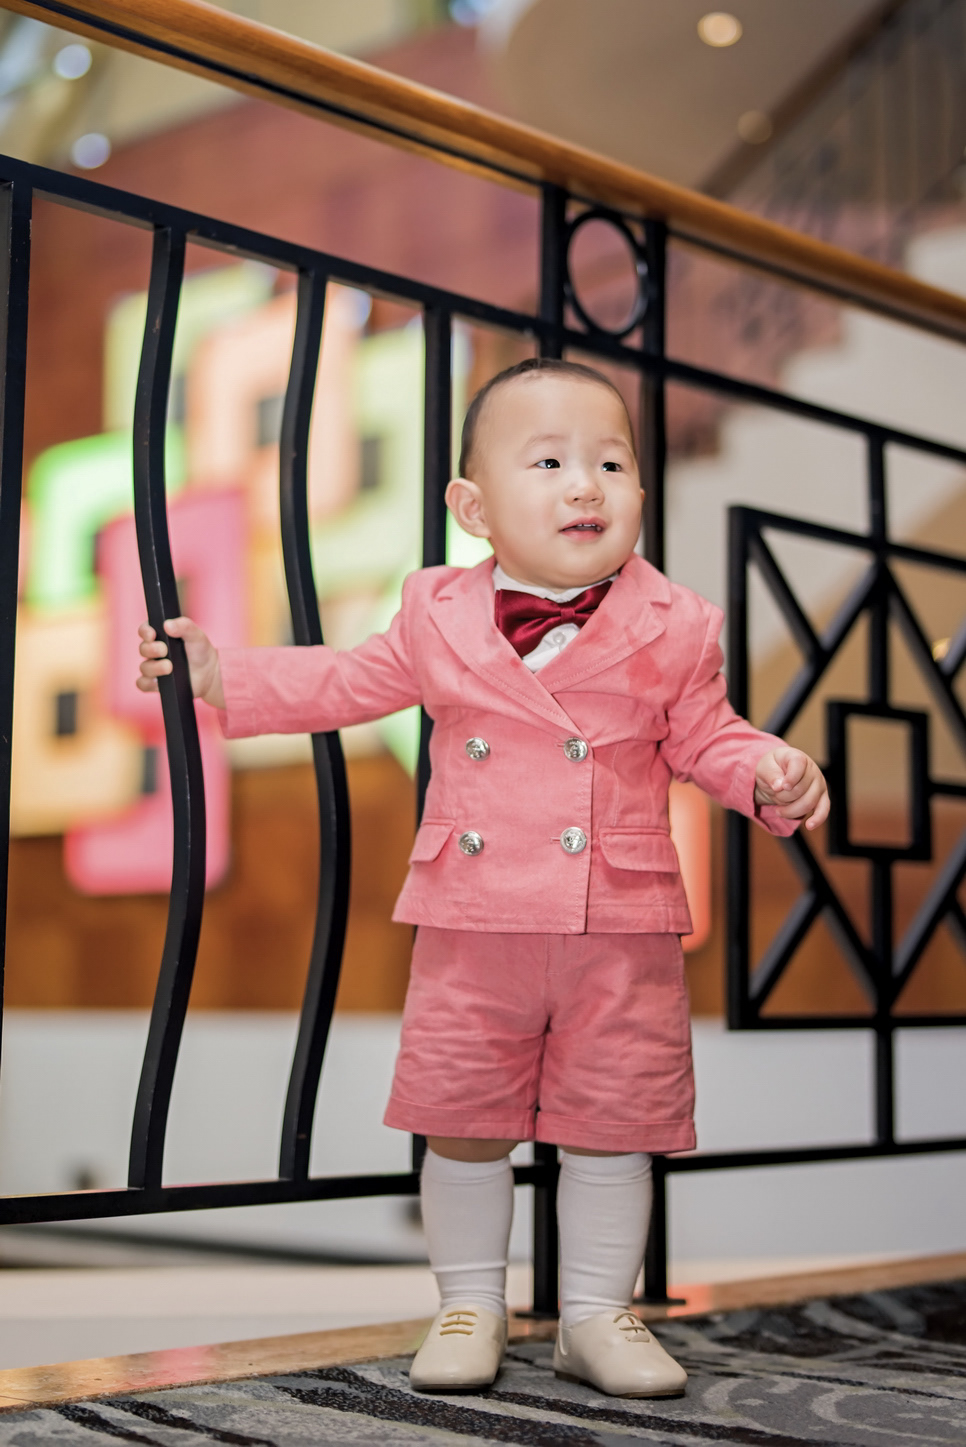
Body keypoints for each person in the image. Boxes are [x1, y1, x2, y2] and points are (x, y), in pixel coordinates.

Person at [138, 357, 829, 1399]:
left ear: (642, 492)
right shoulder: (437, 610)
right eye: (548, 462)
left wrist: (770, 770)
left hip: (619, 921)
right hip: (473, 918)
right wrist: (220, 674)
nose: (586, 484)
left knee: (616, 1124)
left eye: (611, 463)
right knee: (462, 1117)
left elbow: (707, 735)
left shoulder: (678, 620)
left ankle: (597, 1312)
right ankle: (468, 1303)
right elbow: (345, 680)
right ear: (473, 507)